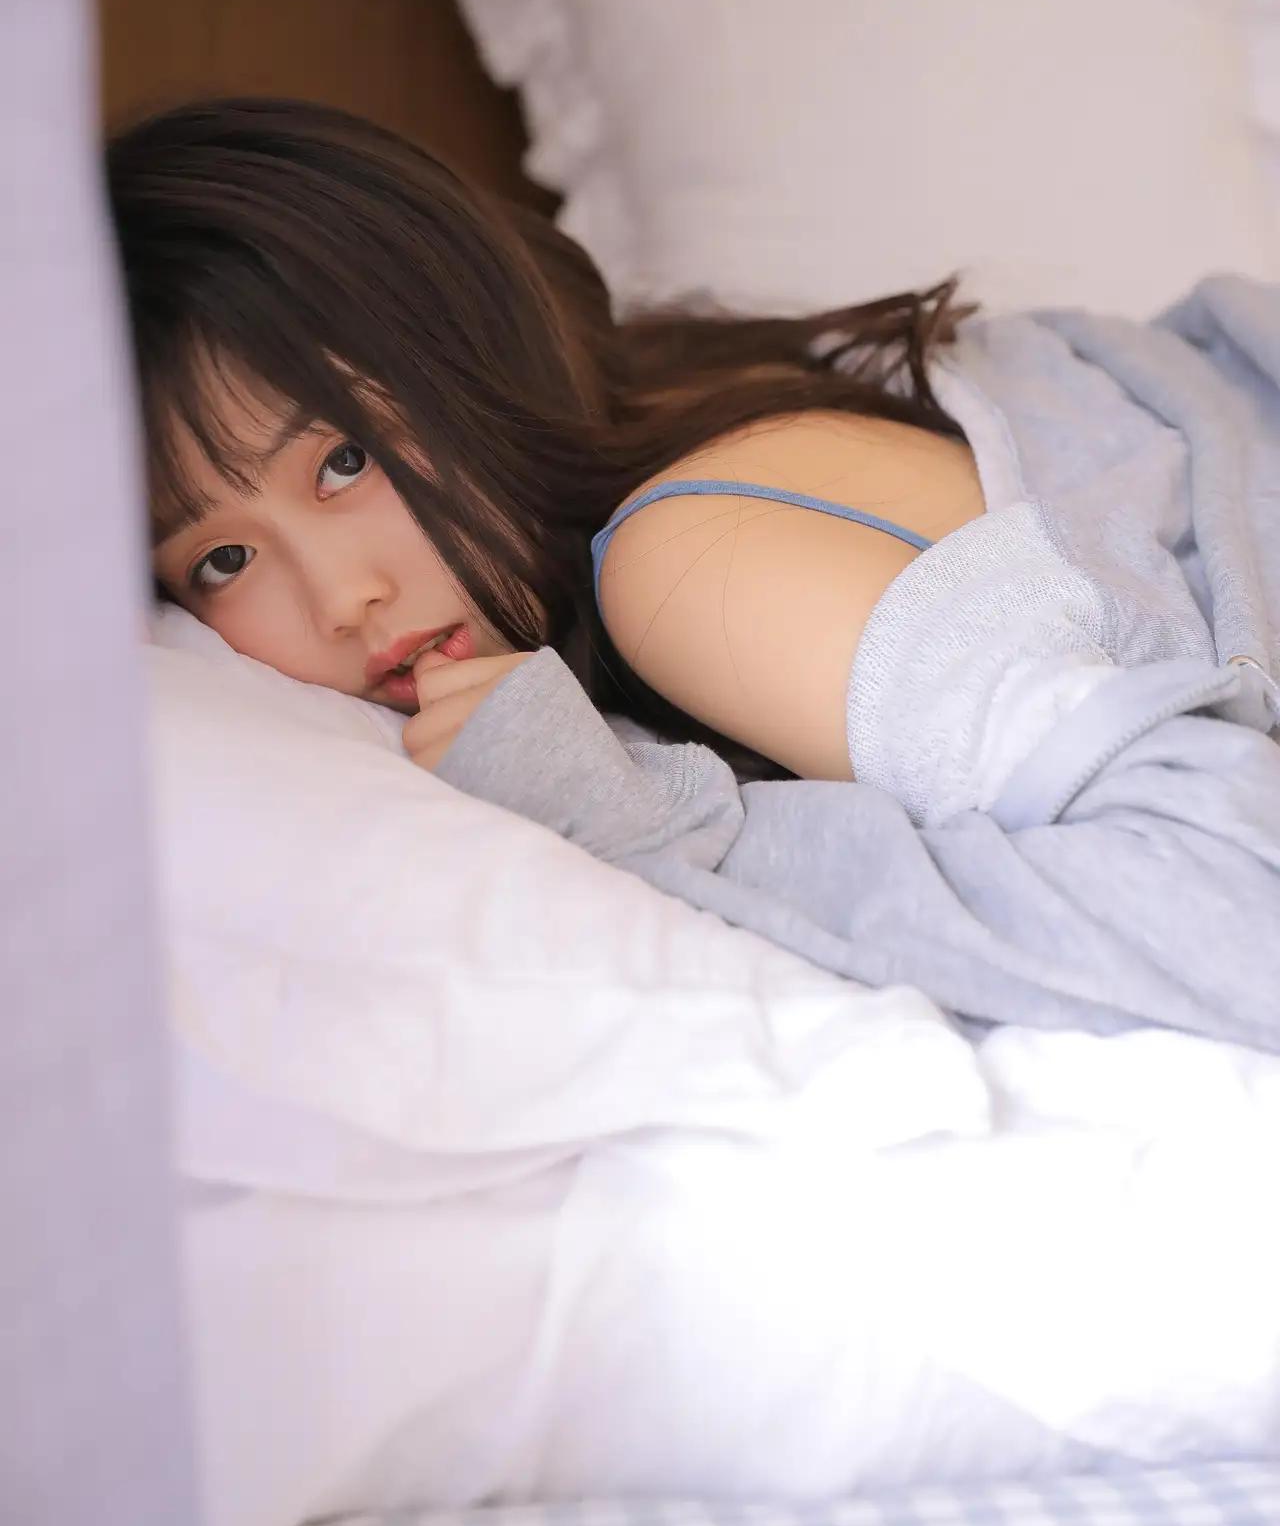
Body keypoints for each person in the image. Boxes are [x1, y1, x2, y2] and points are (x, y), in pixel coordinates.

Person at [109, 95, 1280, 1050]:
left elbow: (1233, 907)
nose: (338, 598)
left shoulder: (688, 564)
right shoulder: (661, 385)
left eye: (344, 460)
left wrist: (645, 824)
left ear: (460, 343)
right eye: (222, 559)